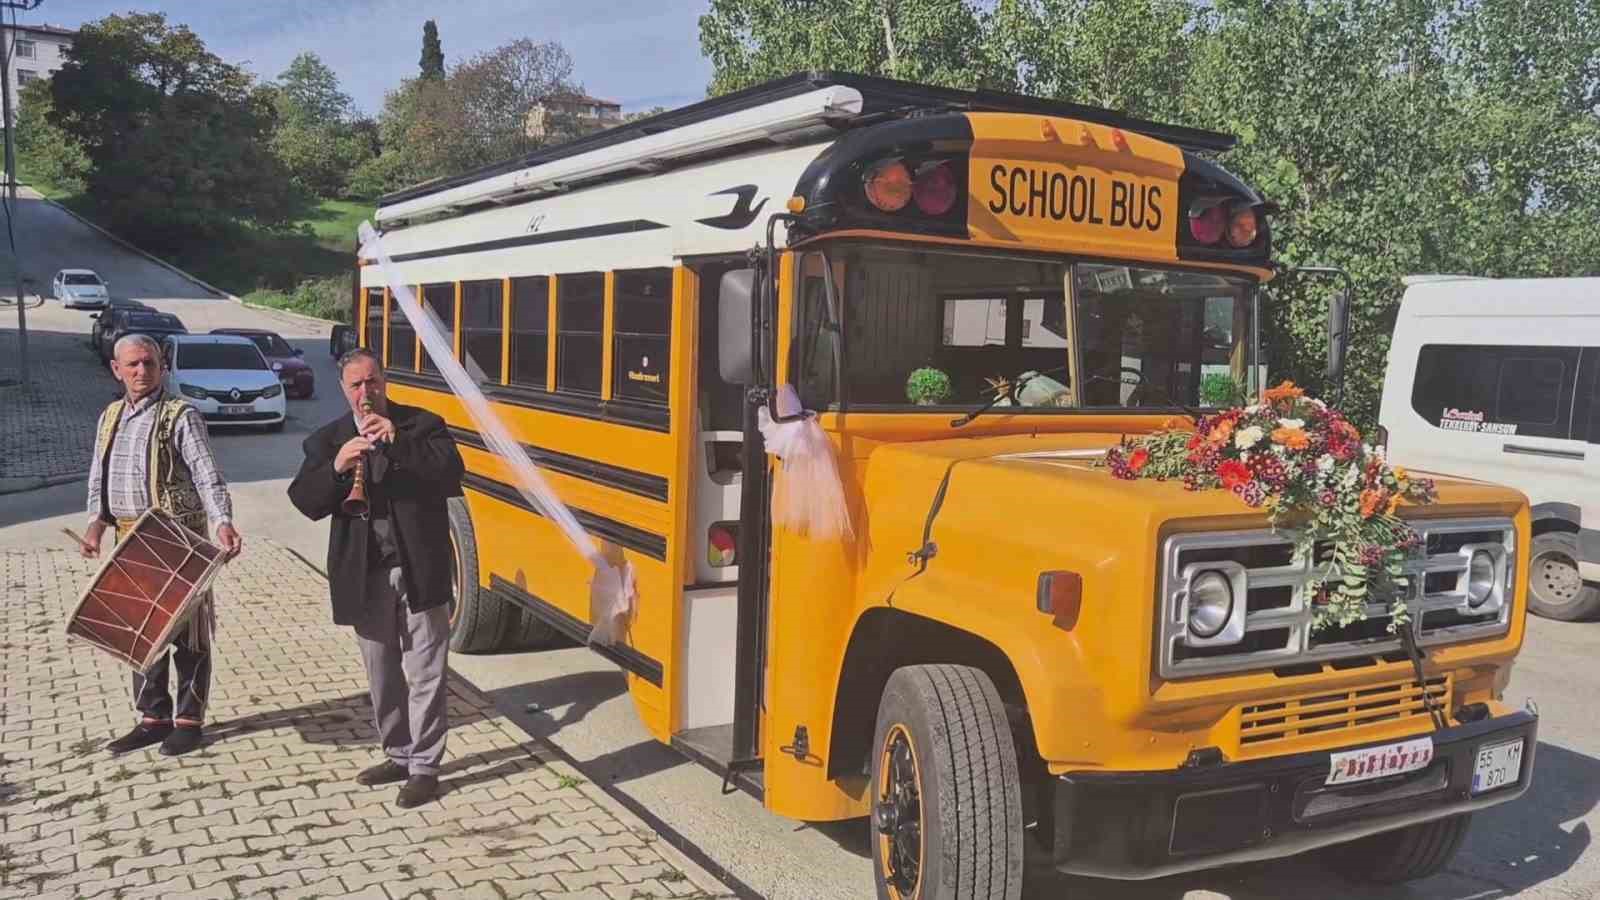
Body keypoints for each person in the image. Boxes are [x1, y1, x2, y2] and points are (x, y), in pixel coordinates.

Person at [288, 348, 464, 808]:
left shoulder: (423, 425)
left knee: (426, 672)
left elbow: (451, 475)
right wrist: (338, 469)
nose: (366, 393)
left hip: (419, 570)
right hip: (364, 575)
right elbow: (305, 501)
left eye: (373, 382)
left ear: (384, 381)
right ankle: (398, 753)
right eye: (356, 385)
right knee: (382, 673)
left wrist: (398, 444)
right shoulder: (328, 440)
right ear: (344, 389)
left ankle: (425, 767)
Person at [84, 333, 243, 757]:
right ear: (117, 370)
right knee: (141, 631)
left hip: (178, 540)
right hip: (129, 541)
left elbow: (207, 473)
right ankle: (153, 718)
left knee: (189, 635)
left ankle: (189, 722)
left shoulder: (180, 415)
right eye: (133, 365)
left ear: (162, 367)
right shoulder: (110, 417)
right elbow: (99, 476)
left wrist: (222, 520)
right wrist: (96, 524)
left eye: (149, 364)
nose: (142, 371)